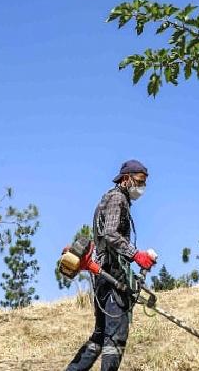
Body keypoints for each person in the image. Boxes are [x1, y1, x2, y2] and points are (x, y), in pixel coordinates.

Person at [66, 159, 157, 371]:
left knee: (99, 336)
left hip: (103, 277)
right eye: (139, 182)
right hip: (112, 278)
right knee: (115, 337)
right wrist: (136, 255)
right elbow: (110, 233)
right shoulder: (117, 199)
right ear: (126, 179)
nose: (142, 187)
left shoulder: (108, 198)